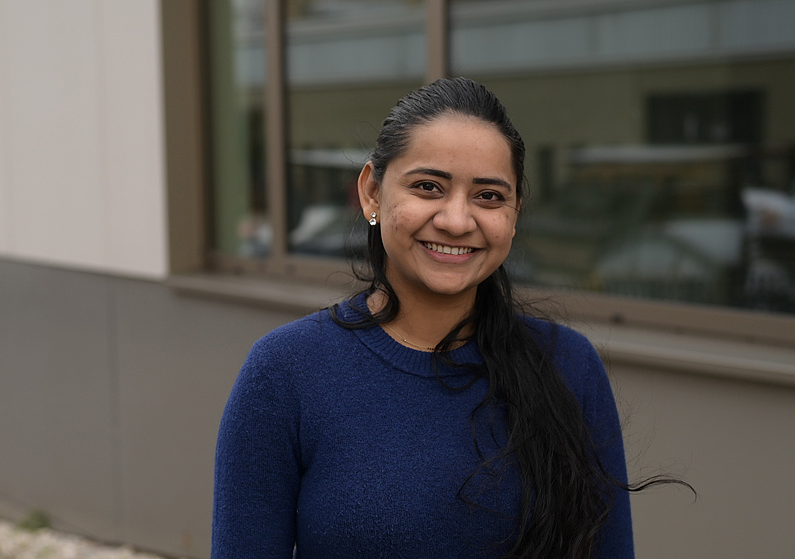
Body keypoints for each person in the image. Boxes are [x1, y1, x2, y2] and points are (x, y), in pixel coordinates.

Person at [212, 77, 638, 558]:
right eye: (428, 187)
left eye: (489, 196)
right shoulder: (285, 372)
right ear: (372, 193)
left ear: (515, 213)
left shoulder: (568, 367)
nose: (457, 220)